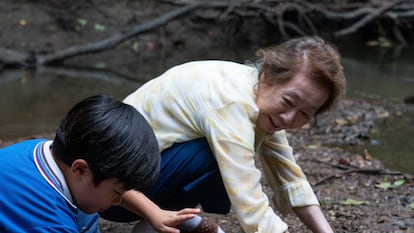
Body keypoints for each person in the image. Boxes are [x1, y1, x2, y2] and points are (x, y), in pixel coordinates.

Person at [100, 36, 346, 233]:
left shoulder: (257, 92)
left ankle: (173, 220)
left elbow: (288, 175)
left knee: (220, 152)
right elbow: (246, 192)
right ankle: (160, 218)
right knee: (215, 156)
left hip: (133, 180)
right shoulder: (233, 103)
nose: (289, 118)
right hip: (109, 191)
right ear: (269, 75)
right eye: (289, 101)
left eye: (305, 114)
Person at [0, 95, 198, 233]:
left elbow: (108, 180)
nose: (118, 202)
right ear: (80, 168)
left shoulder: (47, 151)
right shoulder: (50, 221)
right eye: (117, 194)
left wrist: (155, 213)